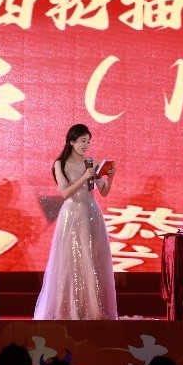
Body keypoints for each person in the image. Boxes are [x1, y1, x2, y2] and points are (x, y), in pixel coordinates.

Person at [32, 123, 118, 320]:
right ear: (71, 141)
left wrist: (110, 178)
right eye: (82, 141)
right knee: (71, 261)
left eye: (88, 141)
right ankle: (67, 310)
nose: (86, 145)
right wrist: (84, 177)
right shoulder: (60, 164)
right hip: (72, 215)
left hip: (92, 213)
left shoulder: (91, 162)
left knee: (93, 259)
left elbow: (103, 191)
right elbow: (65, 193)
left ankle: (93, 309)